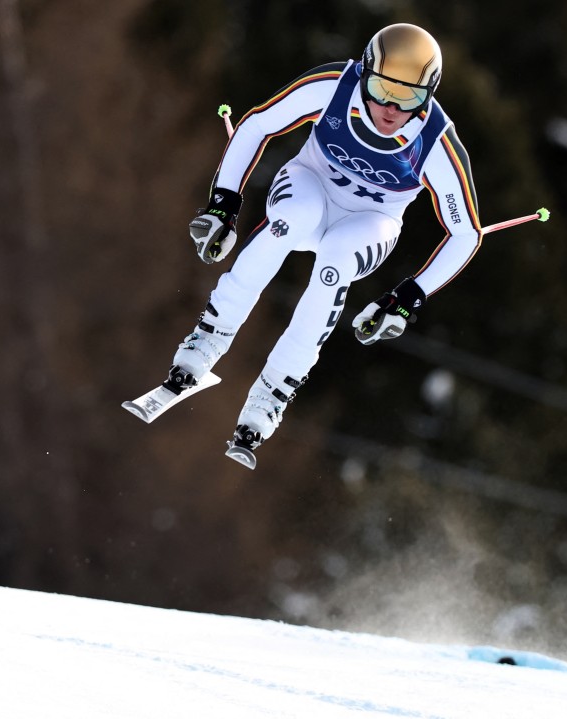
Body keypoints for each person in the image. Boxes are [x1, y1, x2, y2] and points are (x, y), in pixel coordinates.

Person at [168, 23, 482, 467]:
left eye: (408, 97)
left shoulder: (437, 142)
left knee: (335, 263)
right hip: (309, 186)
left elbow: (467, 232)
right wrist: (224, 206)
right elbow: (257, 125)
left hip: (370, 223)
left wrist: (406, 299)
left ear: (428, 95)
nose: (390, 108)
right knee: (290, 221)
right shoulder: (335, 86)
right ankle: (207, 339)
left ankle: (273, 392)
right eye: (380, 88)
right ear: (364, 73)